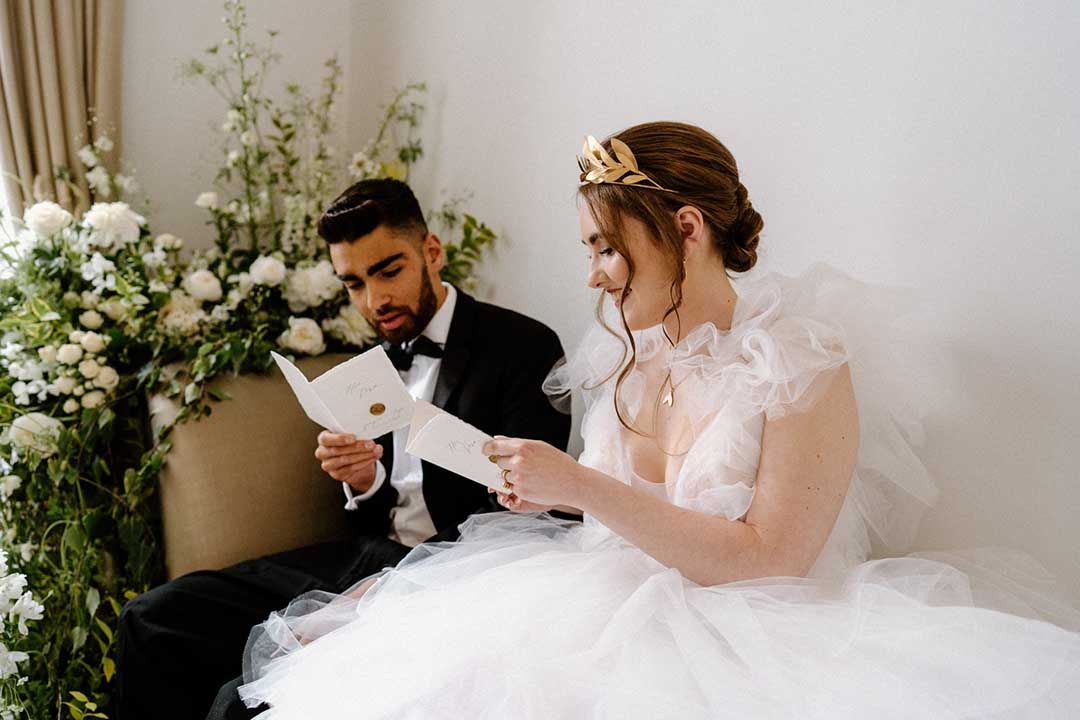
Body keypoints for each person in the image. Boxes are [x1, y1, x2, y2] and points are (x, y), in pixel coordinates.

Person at [235, 122, 1080, 719]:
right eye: (588, 251)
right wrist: (546, 492)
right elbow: (607, 523)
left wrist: (581, 486)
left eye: (606, 248)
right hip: (591, 601)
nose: (595, 276)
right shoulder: (618, 356)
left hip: (753, 637)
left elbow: (773, 558)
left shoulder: (799, 360)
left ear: (687, 228)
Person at [112, 179, 572, 720]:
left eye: (388, 271)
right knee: (149, 620)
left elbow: (519, 516)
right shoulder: (373, 358)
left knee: (240, 702)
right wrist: (365, 482)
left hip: (453, 577)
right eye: (353, 283)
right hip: (366, 555)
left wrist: (378, 593)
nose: (374, 301)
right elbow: (381, 509)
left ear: (432, 251)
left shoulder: (525, 347)